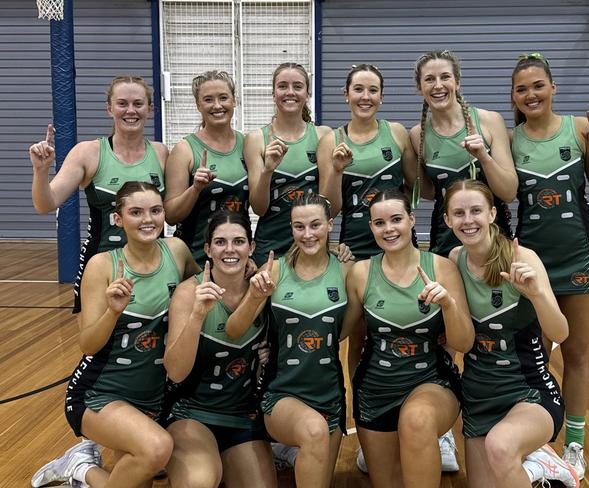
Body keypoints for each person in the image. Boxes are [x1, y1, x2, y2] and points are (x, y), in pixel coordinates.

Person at [31, 182, 199, 488]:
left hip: (153, 398)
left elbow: (202, 288)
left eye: (155, 211)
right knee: (156, 448)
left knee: (145, 471)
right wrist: (112, 311)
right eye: (136, 212)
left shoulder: (177, 252)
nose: (148, 219)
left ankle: (81, 469)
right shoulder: (102, 265)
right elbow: (88, 344)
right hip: (100, 393)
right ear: (118, 219)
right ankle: (80, 468)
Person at [511, 53, 589, 480]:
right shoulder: (510, 139)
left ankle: (574, 442)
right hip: (533, 261)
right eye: (522, 89)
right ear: (514, 97)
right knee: (535, 355)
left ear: (552, 88)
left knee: (576, 352)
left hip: (579, 258)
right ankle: (536, 441)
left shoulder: (578, 129)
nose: (531, 94)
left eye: (538, 85)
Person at [443, 179, 580, 488]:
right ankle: (533, 465)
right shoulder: (454, 261)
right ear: (448, 220)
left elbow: (561, 331)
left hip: (530, 391)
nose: (468, 220)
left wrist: (536, 295)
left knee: (501, 447)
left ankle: (539, 462)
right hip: (479, 396)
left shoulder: (522, 258)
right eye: (459, 213)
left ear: (492, 214)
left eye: (476, 210)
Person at [344, 188, 473, 488]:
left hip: (431, 382)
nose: (388, 229)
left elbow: (463, 343)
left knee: (417, 420)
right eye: (379, 223)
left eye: (396, 219)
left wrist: (449, 306)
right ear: (371, 227)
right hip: (375, 391)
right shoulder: (361, 273)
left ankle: (436, 440)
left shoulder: (442, 267)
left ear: (412, 220)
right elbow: (348, 340)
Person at [226, 193, 352, 488]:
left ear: (330, 225)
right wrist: (254, 296)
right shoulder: (276, 270)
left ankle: (286, 451)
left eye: (315, 225)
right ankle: (287, 443)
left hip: (330, 397)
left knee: (320, 471)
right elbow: (234, 329)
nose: (307, 234)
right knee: (314, 432)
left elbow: (347, 331)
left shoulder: (347, 272)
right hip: (281, 393)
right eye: (299, 227)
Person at [29, 75, 167, 313]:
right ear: (109, 108)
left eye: (138, 104)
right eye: (122, 103)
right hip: (102, 263)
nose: (130, 111)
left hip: (153, 263)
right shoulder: (88, 153)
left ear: (150, 109)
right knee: (95, 344)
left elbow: (174, 210)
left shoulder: (161, 153)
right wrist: (41, 171)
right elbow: (46, 204)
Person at [163, 209, 276, 488]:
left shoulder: (262, 288)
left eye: (238, 242)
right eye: (220, 242)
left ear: (251, 248)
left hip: (243, 416)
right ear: (208, 250)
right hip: (192, 414)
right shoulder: (190, 292)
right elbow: (175, 372)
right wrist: (197, 315)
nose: (230, 250)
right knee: (200, 482)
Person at [409, 50, 517, 257]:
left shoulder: (490, 121)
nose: (438, 85)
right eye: (429, 79)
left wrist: (484, 158)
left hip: (493, 243)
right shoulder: (417, 135)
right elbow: (430, 192)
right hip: (445, 243)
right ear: (419, 87)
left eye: (445, 77)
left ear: (457, 82)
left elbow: (509, 192)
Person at [318, 64, 418, 260]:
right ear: (345, 94)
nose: (365, 97)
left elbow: (417, 189)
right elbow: (328, 209)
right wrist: (337, 171)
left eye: (373, 90)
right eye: (358, 89)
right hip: (355, 247)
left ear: (381, 96)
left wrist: (397, 210)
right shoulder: (331, 140)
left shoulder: (396, 132)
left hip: (398, 241)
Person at [246, 62, 331, 265]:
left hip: (311, 241)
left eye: (298, 86)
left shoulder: (323, 136)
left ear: (308, 93)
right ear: (273, 93)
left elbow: (330, 204)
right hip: (270, 245)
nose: (290, 92)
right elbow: (258, 208)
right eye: (283, 86)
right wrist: (268, 170)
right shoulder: (256, 139)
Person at [164, 70, 249, 264]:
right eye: (208, 99)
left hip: (235, 256)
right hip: (196, 257)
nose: (217, 105)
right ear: (198, 105)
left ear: (234, 101)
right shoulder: (184, 150)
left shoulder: (247, 144)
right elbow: (170, 215)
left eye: (223, 98)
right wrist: (195, 189)